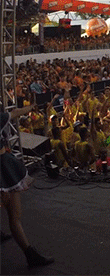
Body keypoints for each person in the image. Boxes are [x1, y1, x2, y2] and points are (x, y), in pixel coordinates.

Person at [0, 104, 54, 267]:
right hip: (3, 168)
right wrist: (31, 107)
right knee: (14, 216)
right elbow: (15, 113)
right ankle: (30, 254)